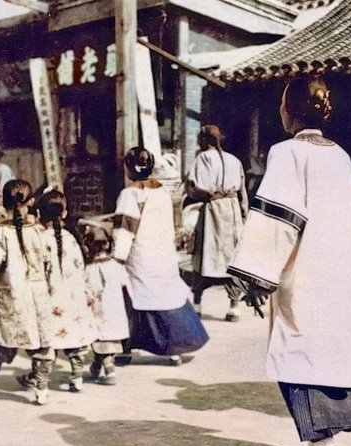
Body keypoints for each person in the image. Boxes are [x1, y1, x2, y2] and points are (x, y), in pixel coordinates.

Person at [227, 76, 351, 446]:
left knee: (297, 347)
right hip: (338, 265)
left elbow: (278, 220)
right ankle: (327, 437)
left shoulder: (285, 153)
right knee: (330, 346)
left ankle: (320, 444)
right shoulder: (340, 155)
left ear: (288, 112)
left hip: (303, 265)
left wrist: (257, 276)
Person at [114, 147, 208, 366]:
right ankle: (174, 350)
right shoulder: (162, 191)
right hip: (162, 252)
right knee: (167, 299)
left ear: (129, 168)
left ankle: (126, 348)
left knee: (132, 301)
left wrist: (118, 256)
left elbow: (125, 229)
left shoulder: (130, 194)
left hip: (139, 254)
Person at [0, 179, 54, 405]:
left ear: (4, 202)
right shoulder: (40, 231)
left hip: (9, 297)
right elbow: (49, 266)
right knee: (42, 342)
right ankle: (42, 388)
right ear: (31, 201)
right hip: (37, 298)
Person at [17, 189, 98, 393]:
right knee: (74, 341)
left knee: (45, 343)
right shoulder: (72, 239)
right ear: (64, 214)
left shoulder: (39, 239)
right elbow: (81, 268)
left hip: (49, 302)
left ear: (39, 215)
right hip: (73, 301)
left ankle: (38, 377)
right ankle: (76, 377)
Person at [185, 125, 248, 322]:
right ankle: (234, 307)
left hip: (212, 211)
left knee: (204, 256)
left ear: (205, 140)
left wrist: (197, 195)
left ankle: (197, 304)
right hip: (232, 211)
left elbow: (195, 187)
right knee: (231, 258)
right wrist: (243, 213)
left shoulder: (202, 158)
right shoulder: (234, 161)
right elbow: (242, 191)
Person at [81, 220, 130, 385]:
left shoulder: (90, 269)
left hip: (100, 311)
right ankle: (96, 368)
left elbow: (89, 289)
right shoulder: (116, 265)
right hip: (115, 311)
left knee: (102, 342)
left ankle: (109, 372)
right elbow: (125, 283)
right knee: (107, 344)